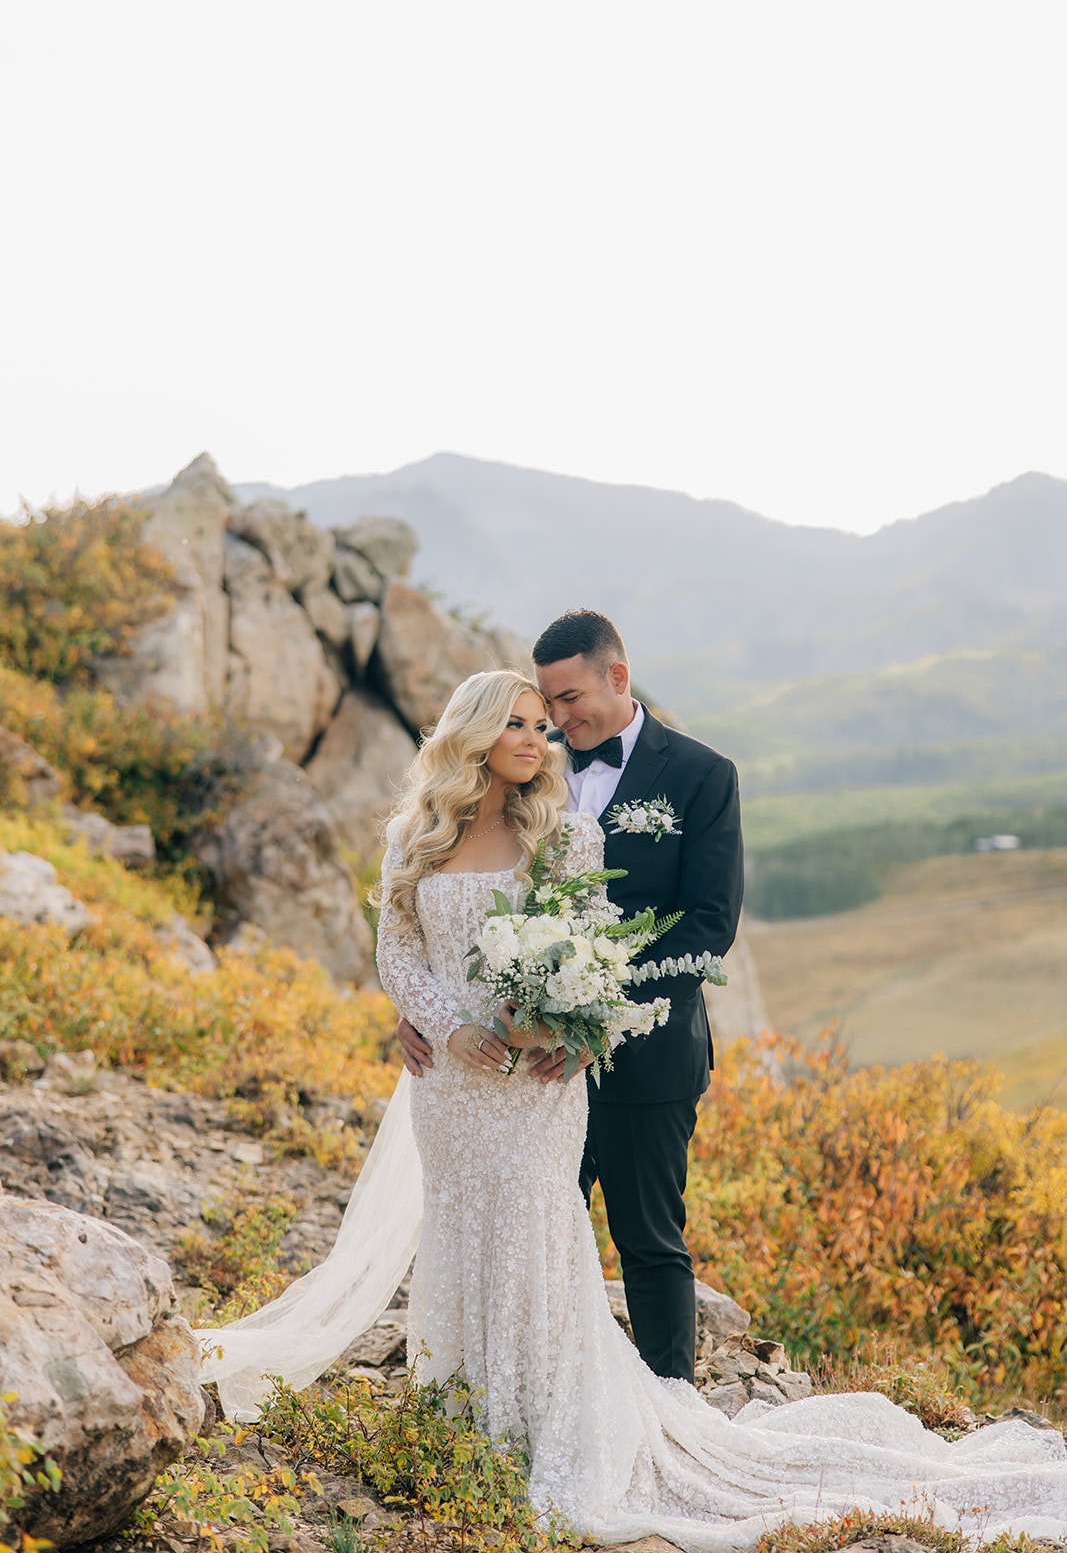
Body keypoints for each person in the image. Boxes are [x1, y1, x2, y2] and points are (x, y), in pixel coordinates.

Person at [203, 667, 1067, 1547]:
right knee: (459, 1221)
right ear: (470, 734)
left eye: (544, 726)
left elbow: (587, 956)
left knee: (539, 1221)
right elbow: (397, 948)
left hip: (536, 1081)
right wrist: (444, 1025)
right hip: (450, 1083)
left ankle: (544, 1423)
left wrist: (559, 1026)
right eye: (518, 725)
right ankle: (458, 1412)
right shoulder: (410, 835)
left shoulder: (564, 836)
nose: (537, 741)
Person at [399, 609, 743, 1383]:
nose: (555, 721)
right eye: (544, 705)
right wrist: (428, 1006)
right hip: (516, 1075)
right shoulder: (525, 770)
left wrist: (588, 1012)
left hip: (643, 1054)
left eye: (568, 699)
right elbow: (455, 910)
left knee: (647, 1237)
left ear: (616, 678)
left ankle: (667, 1401)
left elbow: (707, 927)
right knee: (530, 1236)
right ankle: (530, 1397)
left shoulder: (700, 775)